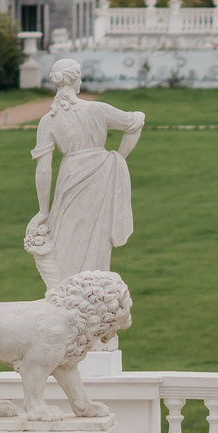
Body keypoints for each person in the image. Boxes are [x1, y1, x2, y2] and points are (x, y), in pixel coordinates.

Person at [27, 58, 144, 289]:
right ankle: (91, 293)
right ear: (74, 80)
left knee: (66, 237)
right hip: (100, 174)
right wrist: (118, 158)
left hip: (70, 178)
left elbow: (44, 170)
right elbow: (136, 122)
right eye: (79, 78)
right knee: (97, 238)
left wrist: (43, 210)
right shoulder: (97, 109)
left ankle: (69, 293)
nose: (81, 82)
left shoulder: (48, 121)